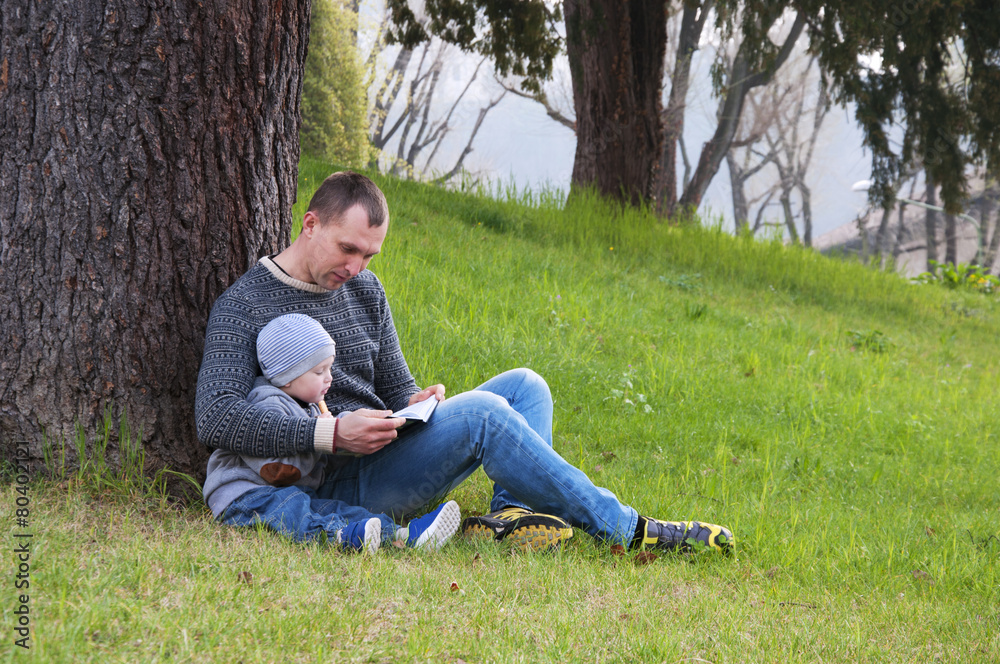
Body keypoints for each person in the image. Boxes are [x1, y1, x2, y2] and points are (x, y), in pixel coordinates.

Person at [195, 171, 734, 554]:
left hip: (387, 450)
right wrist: (331, 436)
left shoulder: (366, 292)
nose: (358, 268)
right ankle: (628, 529)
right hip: (329, 481)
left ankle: (508, 515)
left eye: (369, 256)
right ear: (310, 224)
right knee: (483, 413)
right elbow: (214, 417)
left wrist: (416, 403)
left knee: (526, 386)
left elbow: (395, 384)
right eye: (348, 249)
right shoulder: (246, 304)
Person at [201, 312, 462, 552]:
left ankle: (405, 535)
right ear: (287, 376)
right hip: (246, 497)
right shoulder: (268, 403)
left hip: (296, 491)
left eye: (329, 367)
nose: (329, 378)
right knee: (294, 512)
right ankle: (339, 536)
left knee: (334, 508)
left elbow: (323, 457)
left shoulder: (310, 406)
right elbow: (279, 471)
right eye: (319, 371)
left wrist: (353, 435)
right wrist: (325, 437)